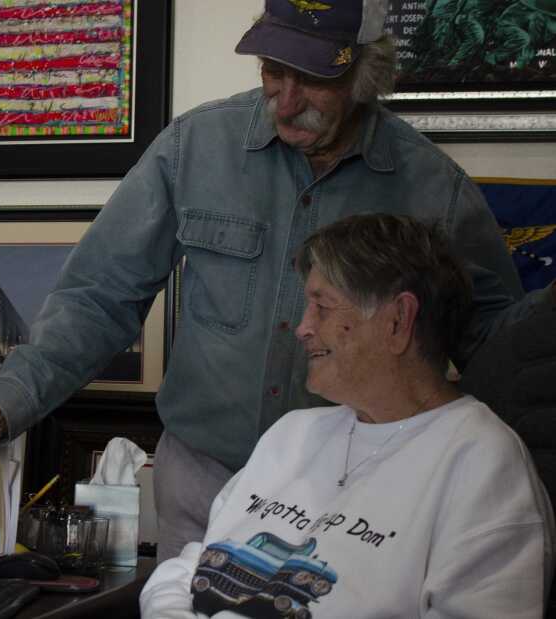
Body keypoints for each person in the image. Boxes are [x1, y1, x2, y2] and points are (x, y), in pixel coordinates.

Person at [0, 0, 556, 562]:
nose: (285, 100)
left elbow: (498, 349)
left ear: (365, 73)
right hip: (200, 483)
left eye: (314, 79)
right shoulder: (195, 147)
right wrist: (2, 404)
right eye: (272, 70)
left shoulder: (433, 187)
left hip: (357, 495)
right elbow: (98, 297)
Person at [139, 213, 555, 618]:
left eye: (322, 307)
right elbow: (191, 565)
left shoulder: (481, 462)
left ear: (397, 321)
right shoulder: (294, 432)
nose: (301, 328)